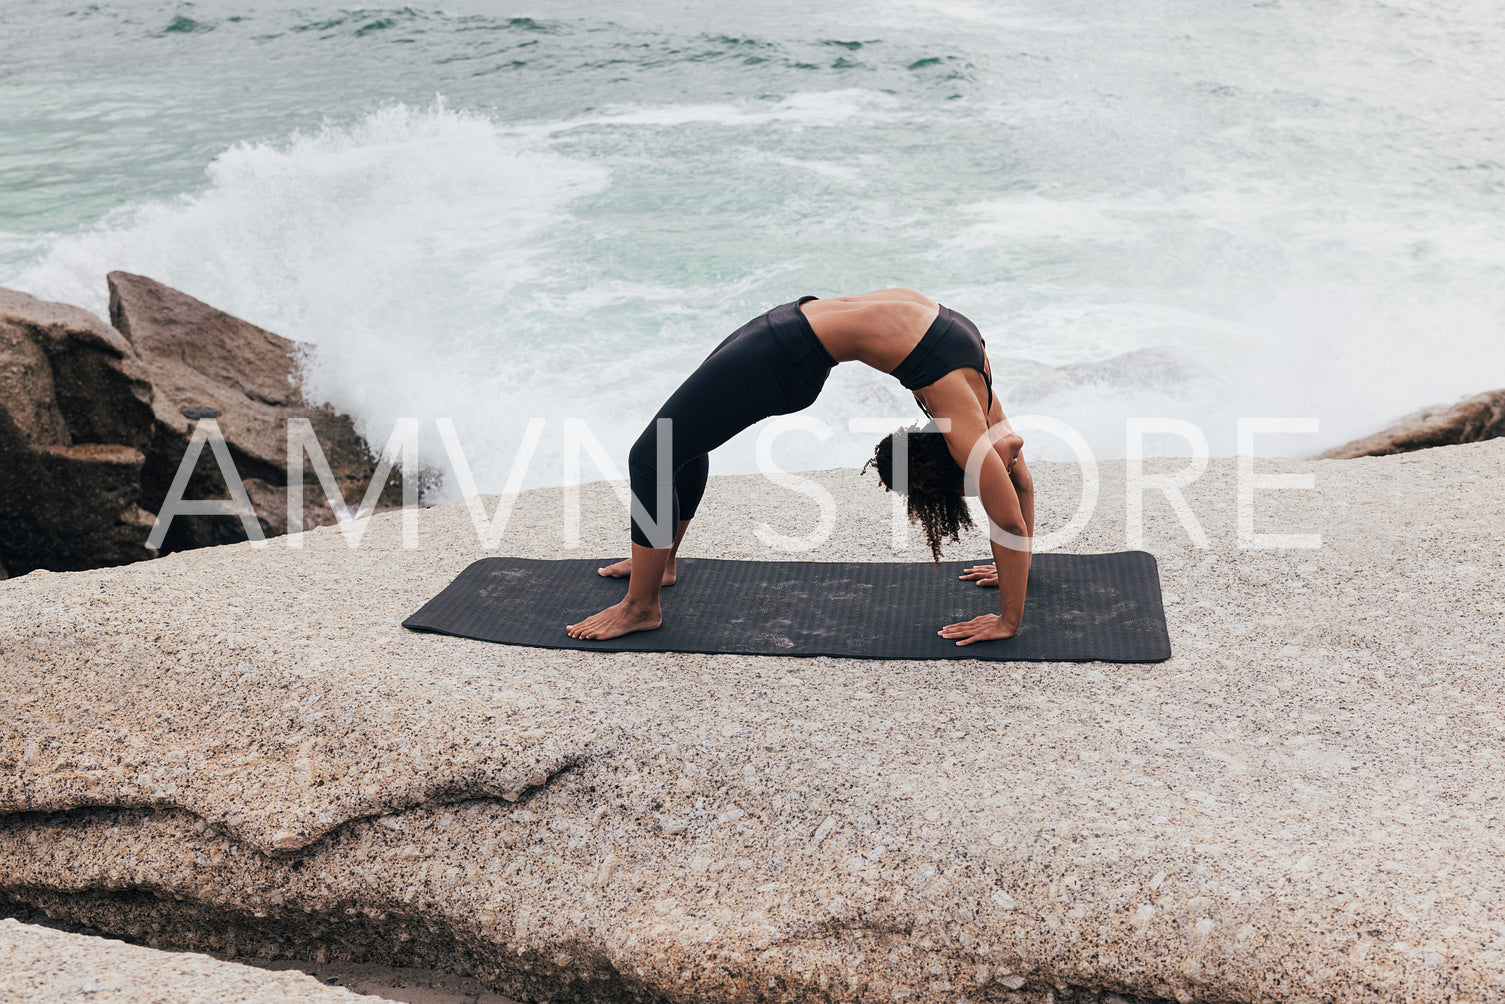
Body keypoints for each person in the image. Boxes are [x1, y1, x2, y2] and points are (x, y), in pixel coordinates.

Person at [564, 288, 1035, 645]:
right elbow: (1018, 492)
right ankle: (659, 566)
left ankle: (641, 606)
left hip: (783, 352)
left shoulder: (975, 384)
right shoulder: (975, 423)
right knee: (678, 444)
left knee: (652, 455)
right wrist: (1012, 589)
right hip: (784, 334)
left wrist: (1008, 615)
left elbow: (1012, 502)